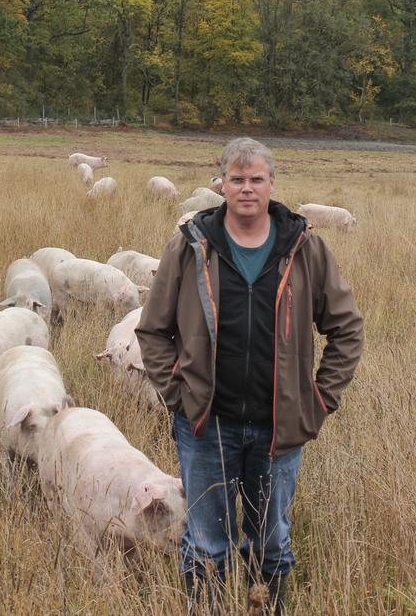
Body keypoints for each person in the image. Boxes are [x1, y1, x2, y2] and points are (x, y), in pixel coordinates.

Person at [136, 137, 364, 614]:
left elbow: (346, 329)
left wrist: (319, 398)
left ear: (271, 184)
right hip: (205, 426)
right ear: (221, 183)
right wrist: (177, 393)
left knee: (271, 544)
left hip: (276, 429)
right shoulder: (190, 247)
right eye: (236, 179)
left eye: (256, 179)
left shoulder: (305, 249)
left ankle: (268, 607)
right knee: (205, 545)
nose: (246, 188)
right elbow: (153, 330)